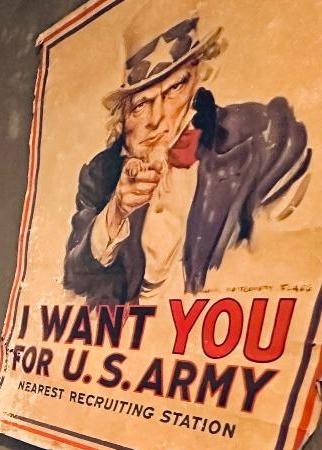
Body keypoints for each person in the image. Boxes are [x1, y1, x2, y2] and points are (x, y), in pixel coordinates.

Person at [64, 17, 311, 304]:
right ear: (123, 117)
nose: (157, 119)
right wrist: (117, 211)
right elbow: (75, 275)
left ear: (198, 79)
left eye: (175, 89)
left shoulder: (258, 136)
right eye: (141, 104)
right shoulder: (101, 173)